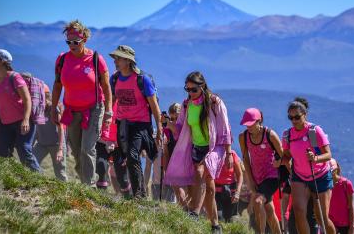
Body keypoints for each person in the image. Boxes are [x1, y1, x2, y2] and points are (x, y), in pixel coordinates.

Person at [165, 71, 232, 234]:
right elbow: (180, 128)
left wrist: (229, 153)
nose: (190, 93)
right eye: (187, 89)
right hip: (195, 148)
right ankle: (215, 225)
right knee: (209, 188)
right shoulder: (187, 104)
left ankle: (193, 214)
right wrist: (169, 124)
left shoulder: (215, 102)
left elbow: (225, 129)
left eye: (193, 89)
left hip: (215, 147)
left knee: (201, 173)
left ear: (202, 87)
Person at [51, 20, 112, 186]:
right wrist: (53, 106)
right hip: (71, 111)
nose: (72, 45)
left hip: (94, 109)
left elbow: (106, 87)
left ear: (84, 39)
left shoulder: (96, 59)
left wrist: (109, 111)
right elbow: (57, 85)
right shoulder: (62, 60)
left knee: (87, 149)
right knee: (77, 152)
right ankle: (84, 181)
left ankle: (90, 186)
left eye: (75, 42)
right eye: (68, 42)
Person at [109, 45, 161, 199]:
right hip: (122, 124)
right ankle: (134, 193)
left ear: (128, 61)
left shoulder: (142, 79)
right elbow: (112, 100)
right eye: (115, 58)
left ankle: (139, 195)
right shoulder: (115, 78)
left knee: (133, 156)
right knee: (122, 158)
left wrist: (159, 127)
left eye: (119, 58)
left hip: (140, 124)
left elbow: (154, 105)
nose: (115, 61)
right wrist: (108, 118)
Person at [281, 97, 336, 234]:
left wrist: (315, 158)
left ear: (305, 115)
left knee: (321, 217)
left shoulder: (315, 131)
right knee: (299, 212)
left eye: (297, 117)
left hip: (321, 175)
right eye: (290, 117)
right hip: (299, 176)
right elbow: (287, 154)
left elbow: (328, 155)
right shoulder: (287, 135)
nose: (293, 120)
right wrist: (281, 160)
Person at [0, 48, 40, 171]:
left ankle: (38, 177)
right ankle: (5, 178)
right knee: (2, 153)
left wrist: (26, 120)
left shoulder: (15, 77)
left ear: (1, 61)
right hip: (5, 123)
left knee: (24, 150)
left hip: (21, 121)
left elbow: (27, 99)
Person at [239, 107, 283, 234]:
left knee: (258, 201)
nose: (249, 127)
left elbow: (283, 156)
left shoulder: (270, 135)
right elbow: (246, 160)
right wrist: (251, 181)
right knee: (269, 211)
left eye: (252, 124)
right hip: (257, 177)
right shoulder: (243, 137)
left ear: (260, 120)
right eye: (247, 125)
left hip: (272, 175)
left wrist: (289, 176)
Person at [33, 84, 67, 180]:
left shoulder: (54, 108)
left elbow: (61, 128)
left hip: (56, 144)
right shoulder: (36, 108)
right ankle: (39, 182)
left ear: (45, 96)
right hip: (42, 144)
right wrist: (30, 144)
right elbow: (36, 128)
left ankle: (67, 194)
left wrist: (60, 150)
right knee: (30, 162)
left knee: (60, 172)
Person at [329, 159, 354, 234]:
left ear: (336, 169)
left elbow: (351, 207)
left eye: (331, 170)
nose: (330, 173)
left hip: (346, 227)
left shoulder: (346, 184)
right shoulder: (325, 186)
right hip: (331, 225)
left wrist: (352, 227)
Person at [214, 150, 243, 222]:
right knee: (219, 218)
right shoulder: (213, 153)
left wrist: (237, 193)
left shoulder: (232, 154)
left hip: (231, 192)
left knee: (231, 220)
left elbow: (240, 175)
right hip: (216, 192)